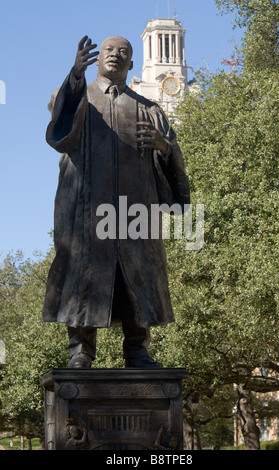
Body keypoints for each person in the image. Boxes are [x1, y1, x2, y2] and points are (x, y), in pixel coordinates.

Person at [43, 35, 190, 368]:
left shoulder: (149, 109)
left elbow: (175, 163)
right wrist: (75, 76)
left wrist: (163, 146)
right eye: (109, 50)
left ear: (131, 64)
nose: (115, 55)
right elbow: (59, 127)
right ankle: (80, 350)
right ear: (96, 60)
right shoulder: (78, 97)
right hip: (87, 210)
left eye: (123, 52)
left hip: (136, 212)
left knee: (138, 274)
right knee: (83, 272)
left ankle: (137, 349)